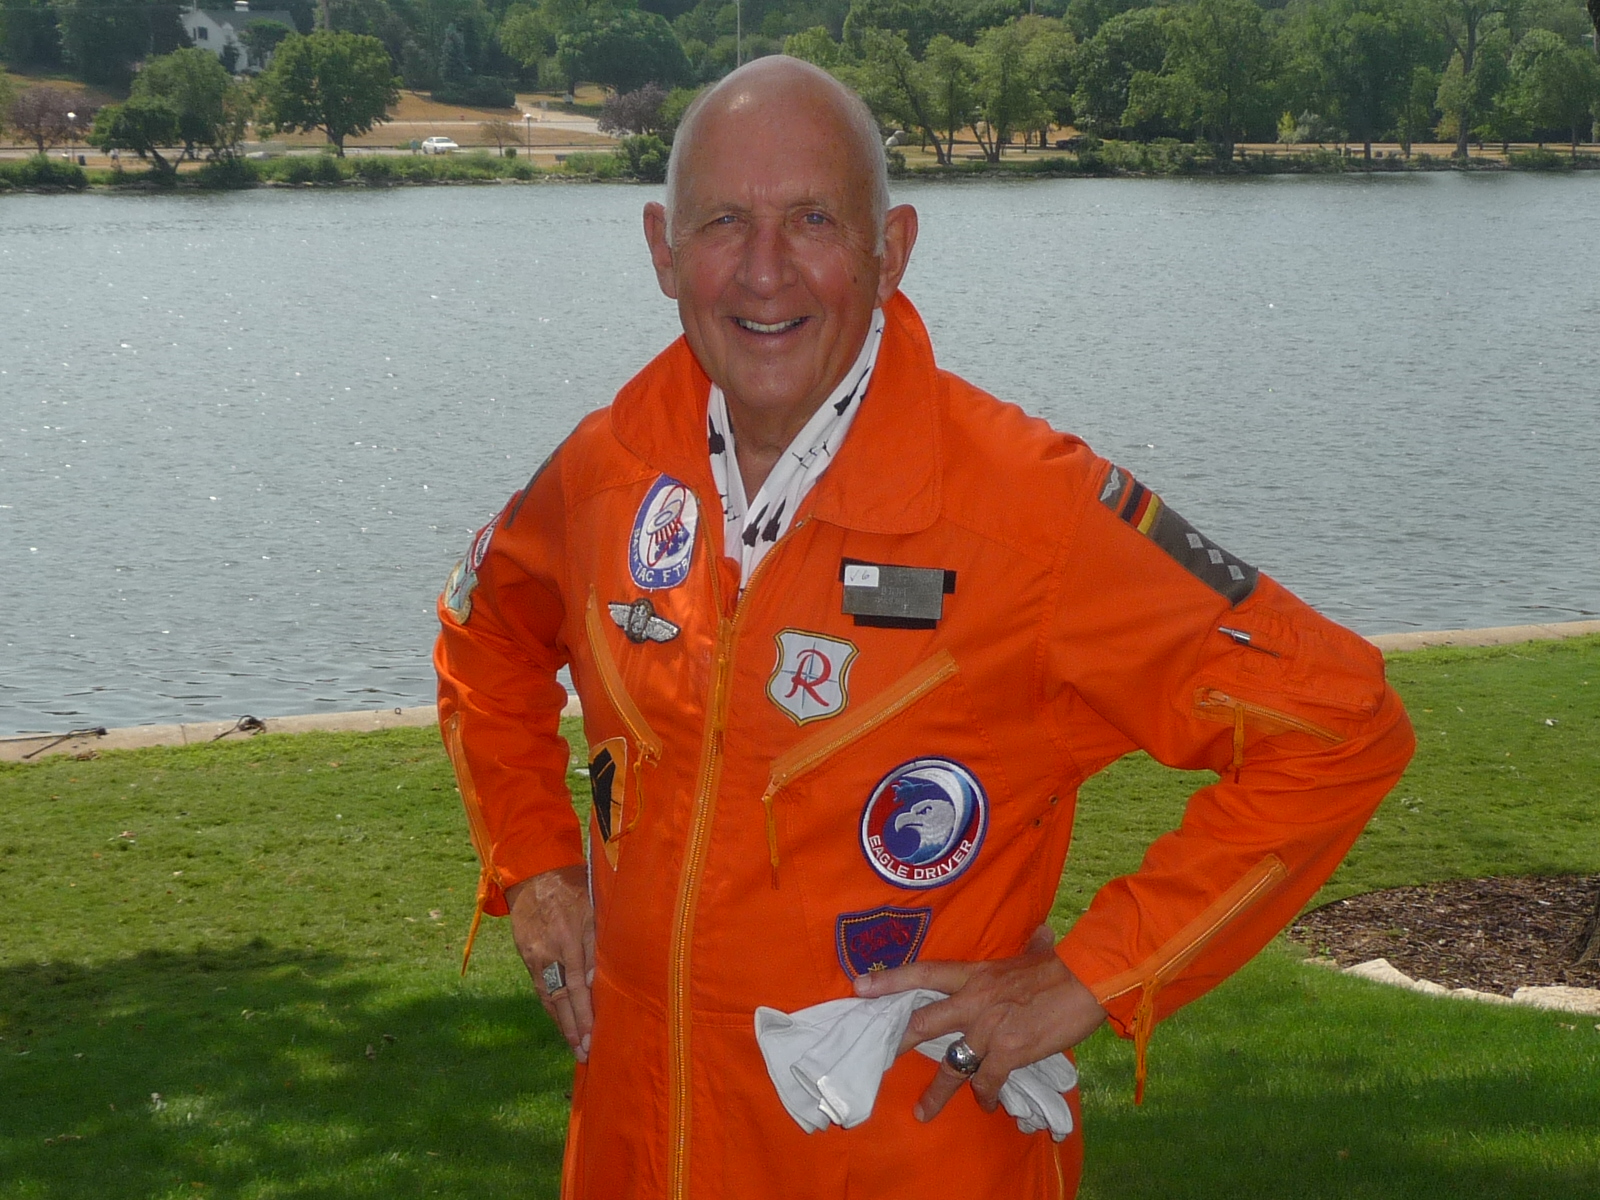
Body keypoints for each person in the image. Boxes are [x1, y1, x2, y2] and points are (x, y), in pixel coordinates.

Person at [433, 56, 1415, 1200]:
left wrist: (1090, 976)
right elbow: (485, 637)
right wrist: (537, 863)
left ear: (891, 249)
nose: (763, 270)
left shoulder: (1027, 511)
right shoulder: (608, 472)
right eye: (721, 223)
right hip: (634, 1147)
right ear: (661, 249)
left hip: (912, 1154)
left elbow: (1337, 724)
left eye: (812, 219)